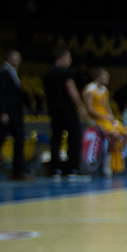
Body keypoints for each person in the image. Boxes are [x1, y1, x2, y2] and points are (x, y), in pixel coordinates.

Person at [0, 51, 28, 181]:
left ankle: (18, 171)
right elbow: (0, 94)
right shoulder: (3, 73)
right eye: (16, 59)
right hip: (7, 114)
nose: (18, 61)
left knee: (19, 140)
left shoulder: (14, 73)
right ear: (9, 59)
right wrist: (3, 112)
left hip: (15, 114)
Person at [43, 50, 88, 178]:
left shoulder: (47, 74)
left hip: (53, 110)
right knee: (74, 136)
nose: (70, 61)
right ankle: (72, 168)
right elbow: (71, 89)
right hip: (67, 110)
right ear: (61, 58)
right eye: (68, 58)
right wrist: (80, 106)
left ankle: (54, 169)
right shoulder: (65, 73)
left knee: (56, 138)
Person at [83, 68, 127, 175]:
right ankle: (107, 159)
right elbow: (90, 109)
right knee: (115, 135)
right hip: (97, 119)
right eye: (106, 76)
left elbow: (107, 107)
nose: (108, 79)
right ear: (99, 76)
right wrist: (105, 117)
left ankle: (118, 154)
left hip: (106, 118)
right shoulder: (90, 90)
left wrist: (111, 117)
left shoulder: (104, 90)